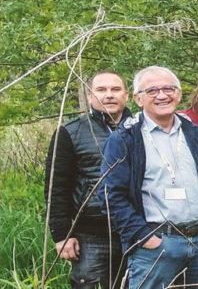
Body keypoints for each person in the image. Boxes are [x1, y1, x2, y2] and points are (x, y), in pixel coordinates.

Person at [101, 66, 198, 289]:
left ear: (179, 94)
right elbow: (111, 196)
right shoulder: (125, 139)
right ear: (137, 99)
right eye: (152, 91)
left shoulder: (196, 134)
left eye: (168, 88)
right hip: (156, 245)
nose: (162, 95)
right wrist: (144, 237)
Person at [46, 70, 131, 289]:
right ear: (90, 97)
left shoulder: (143, 129)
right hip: (89, 235)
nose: (109, 95)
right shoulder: (70, 132)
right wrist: (62, 234)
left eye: (115, 89)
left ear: (127, 95)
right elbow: (56, 187)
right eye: (101, 90)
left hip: (136, 230)